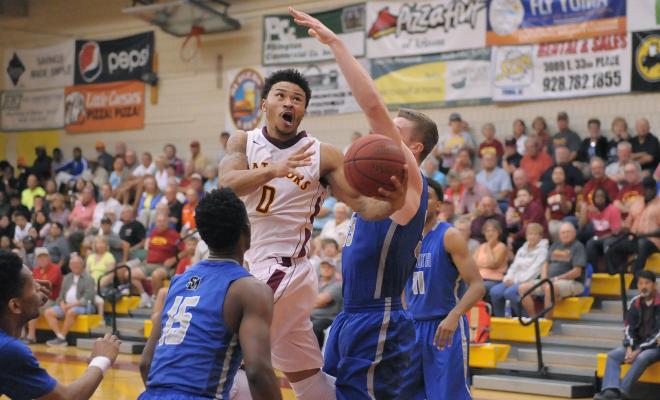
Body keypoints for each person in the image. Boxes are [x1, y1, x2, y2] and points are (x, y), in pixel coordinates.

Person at [223, 8, 431, 399]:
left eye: (297, 98)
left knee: (230, 359)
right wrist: (274, 169)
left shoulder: (375, 171)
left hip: (291, 272)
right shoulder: (243, 141)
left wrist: (336, 44)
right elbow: (226, 184)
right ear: (265, 102)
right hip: (341, 308)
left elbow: (366, 200)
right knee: (312, 380)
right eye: (281, 95)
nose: (384, 135)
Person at [139, 189, 281, 400]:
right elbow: (257, 372)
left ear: (203, 235)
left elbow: (146, 363)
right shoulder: (251, 290)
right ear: (247, 232)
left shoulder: (178, 282)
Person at [401, 178, 484, 400]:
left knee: (447, 395)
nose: (420, 201)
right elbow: (402, 283)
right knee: (404, 393)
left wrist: (454, 316)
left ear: (438, 205)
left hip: (444, 327)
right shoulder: (406, 238)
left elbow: (478, 286)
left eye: (426, 196)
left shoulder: (449, 235)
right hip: (413, 327)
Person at [0, 252, 121, 399]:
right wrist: (101, 360)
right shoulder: (9, 351)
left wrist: (24, 291)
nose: (39, 287)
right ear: (15, 305)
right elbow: (67, 398)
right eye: (32, 285)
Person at [594, 270, 660, 400]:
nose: (644, 286)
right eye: (640, 283)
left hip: (654, 348)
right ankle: (610, 390)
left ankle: (622, 391)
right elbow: (628, 328)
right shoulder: (635, 302)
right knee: (613, 356)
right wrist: (629, 347)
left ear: (655, 285)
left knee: (642, 357)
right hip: (635, 345)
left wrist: (638, 350)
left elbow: (658, 334)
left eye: (647, 283)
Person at [519, 222, 586, 318]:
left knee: (549, 288)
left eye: (568, 232)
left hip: (572, 282)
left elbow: (577, 272)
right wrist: (544, 278)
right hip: (551, 281)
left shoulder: (578, 247)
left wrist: (557, 278)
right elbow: (545, 264)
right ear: (559, 235)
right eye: (563, 232)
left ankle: (547, 321)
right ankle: (533, 319)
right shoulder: (555, 245)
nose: (565, 234)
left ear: (574, 233)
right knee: (522, 288)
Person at [490, 223, 548, 317]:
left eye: (535, 234)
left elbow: (534, 271)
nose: (532, 237)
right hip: (513, 280)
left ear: (540, 236)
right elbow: (514, 266)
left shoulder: (543, 251)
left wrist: (516, 281)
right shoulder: (522, 249)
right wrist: (508, 278)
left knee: (510, 292)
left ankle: (523, 318)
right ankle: (501, 319)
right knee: (495, 291)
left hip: (528, 281)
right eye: (530, 234)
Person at [607, 176, 660, 280]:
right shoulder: (637, 202)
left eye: (651, 188)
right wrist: (622, 228)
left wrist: (644, 235)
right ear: (642, 189)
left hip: (653, 242)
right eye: (646, 188)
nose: (648, 191)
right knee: (612, 245)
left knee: (642, 243)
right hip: (634, 239)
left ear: (655, 189)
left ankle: (636, 277)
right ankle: (617, 275)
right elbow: (628, 223)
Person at [131, 213, 183, 307]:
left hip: (165, 266)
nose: (161, 223)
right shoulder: (153, 232)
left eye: (163, 221)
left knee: (156, 275)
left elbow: (185, 251)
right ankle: (144, 296)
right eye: (159, 221)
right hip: (149, 264)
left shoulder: (174, 235)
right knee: (130, 274)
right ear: (155, 223)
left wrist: (175, 258)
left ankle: (156, 299)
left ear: (168, 222)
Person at [43, 253, 96, 346]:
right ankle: (59, 335)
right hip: (66, 306)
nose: (75, 266)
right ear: (70, 266)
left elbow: (88, 298)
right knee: (48, 312)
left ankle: (62, 337)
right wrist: (62, 304)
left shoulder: (89, 279)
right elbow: (61, 296)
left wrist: (69, 306)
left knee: (71, 311)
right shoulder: (67, 277)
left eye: (77, 263)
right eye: (72, 264)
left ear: (82, 265)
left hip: (85, 306)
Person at [24, 247, 62, 344]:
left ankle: (31, 336)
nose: (42, 259)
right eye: (40, 258)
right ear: (37, 260)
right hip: (37, 299)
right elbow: (30, 284)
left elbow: (49, 284)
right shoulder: (35, 270)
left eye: (44, 257)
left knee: (32, 305)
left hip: (52, 300)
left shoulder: (56, 268)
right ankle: (22, 334)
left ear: (48, 258)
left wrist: (35, 286)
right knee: (22, 305)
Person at [580, 188, 622, 272]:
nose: (599, 198)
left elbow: (616, 232)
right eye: (597, 197)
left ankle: (610, 271)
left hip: (613, 237)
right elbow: (582, 226)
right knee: (589, 244)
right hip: (599, 237)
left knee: (607, 243)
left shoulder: (612, 210)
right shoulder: (592, 210)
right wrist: (584, 210)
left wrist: (600, 238)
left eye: (602, 196)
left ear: (606, 198)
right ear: (593, 199)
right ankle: (593, 272)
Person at [311, 258, 342, 348]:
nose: (326, 269)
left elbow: (322, 300)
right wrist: (315, 302)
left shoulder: (338, 284)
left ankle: (316, 356)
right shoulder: (315, 283)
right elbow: (303, 299)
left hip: (328, 318)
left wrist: (310, 302)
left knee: (314, 326)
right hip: (312, 316)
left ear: (334, 269)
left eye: (329, 267)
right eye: (323, 267)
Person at [506, 187, 547, 253]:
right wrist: (516, 207)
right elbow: (511, 222)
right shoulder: (525, 208)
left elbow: (529, 228)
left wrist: (514, 237)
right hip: (529, 235)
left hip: (539, 237)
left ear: (531, 197)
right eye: (519, 196)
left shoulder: (535, 207)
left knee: (515, 242)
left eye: (524, 195)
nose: (521, 198)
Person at [474, 220, 508, 295]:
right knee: (465, 285)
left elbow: (493, 264)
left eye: (493, 230)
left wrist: (489, 247)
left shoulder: (501, 247)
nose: (490, 233)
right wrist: (486, 265)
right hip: (479, 279)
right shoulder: (481, 246)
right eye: (487, 231)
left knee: (479, 287)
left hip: (494, 279)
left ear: (498, 232)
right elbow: (473, 264)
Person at [545, 166, 577, 242]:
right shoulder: (550, 193)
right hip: (553, 221)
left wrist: (561, 197)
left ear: (565, 176)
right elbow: (547, 212)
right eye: (555, 173)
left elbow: (567, 210)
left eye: (560, 173)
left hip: (566, 219)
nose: (557, 176)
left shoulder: (569, 189)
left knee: (558, 228)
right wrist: (547, 224)